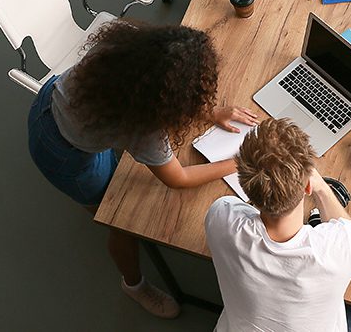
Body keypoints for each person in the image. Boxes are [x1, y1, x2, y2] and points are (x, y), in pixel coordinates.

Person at [28, 21, 259, 319]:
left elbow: (160, 87)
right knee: (120, 221)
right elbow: (179, 178)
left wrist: (209, 112)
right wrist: (238, 162)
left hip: (49, 99)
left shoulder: (125, 46)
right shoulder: (145, 132)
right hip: (64, 155)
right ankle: (134, 285)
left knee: (116, 194)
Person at [205, 118, 351, 332]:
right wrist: (323, 189)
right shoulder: (339, 248)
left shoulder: (221, 218)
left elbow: (239, 208)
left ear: (245, 186)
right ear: (308, 186)